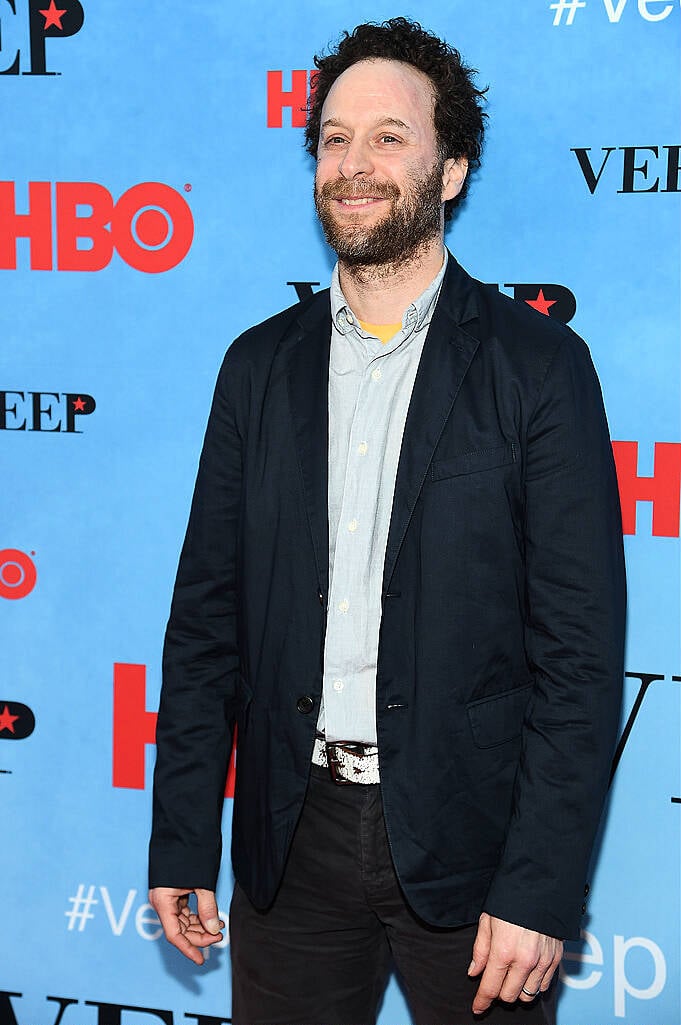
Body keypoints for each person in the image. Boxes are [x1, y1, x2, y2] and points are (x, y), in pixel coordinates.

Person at [148, 17, 625, 1025]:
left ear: (451, 170)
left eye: (389, 137)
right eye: (333, 137)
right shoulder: (256, 367)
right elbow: (206, 621)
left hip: (475, 844)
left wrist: (539, 887)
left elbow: (579, 657)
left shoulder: (538, 369)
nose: (353, 164)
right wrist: (184, 835)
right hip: (292, 841)